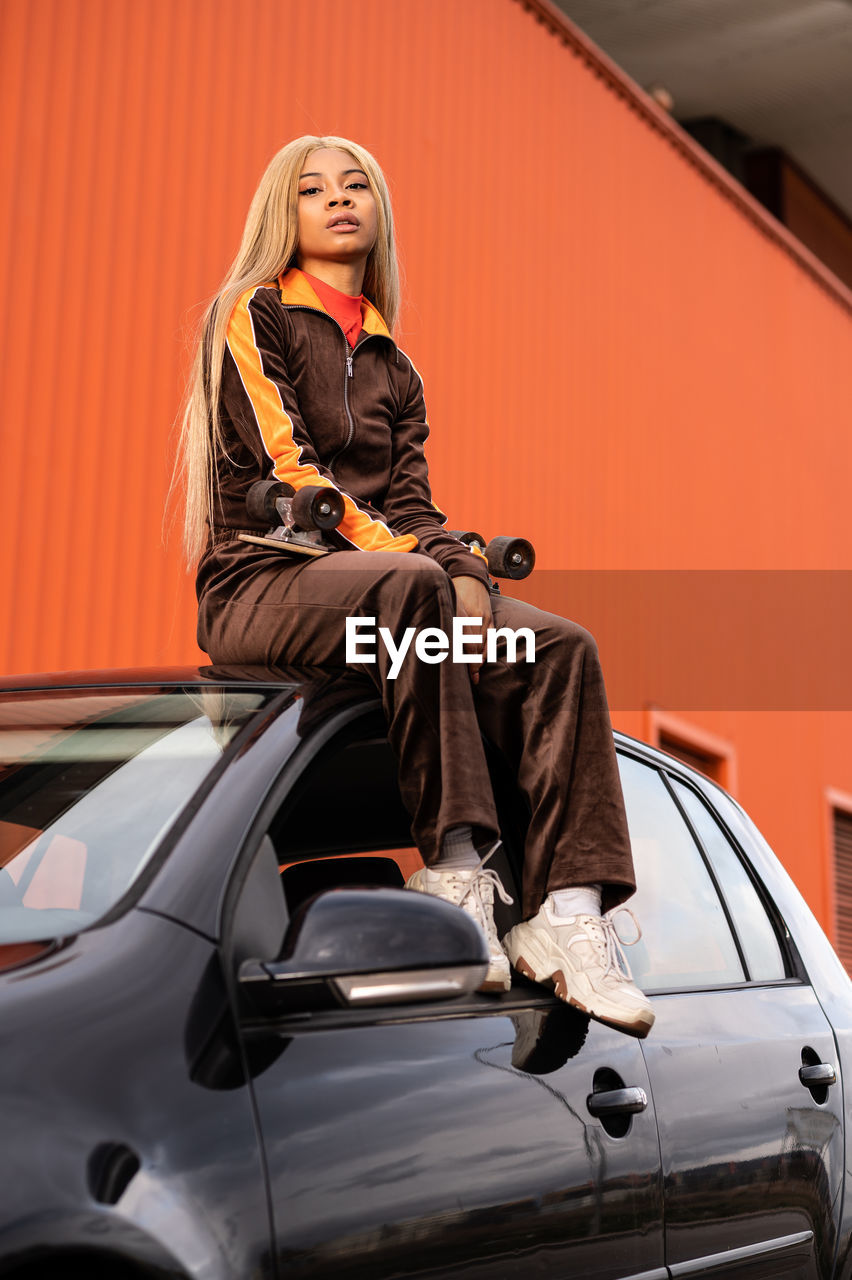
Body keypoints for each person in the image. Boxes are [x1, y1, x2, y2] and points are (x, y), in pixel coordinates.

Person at [178, 135, 654, 1038]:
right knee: (412, 592)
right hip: (263, 587)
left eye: (356, 185)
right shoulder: (252, 314)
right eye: (314, 189)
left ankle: (566, 919)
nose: (339, 200)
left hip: (393, 593)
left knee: (556, 647)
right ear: (287, 213)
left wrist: (464, 566)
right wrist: (436, 572)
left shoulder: (396, 364)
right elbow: (297, 473)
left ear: (378, 211)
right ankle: (457, 873)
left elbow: (411, 503)